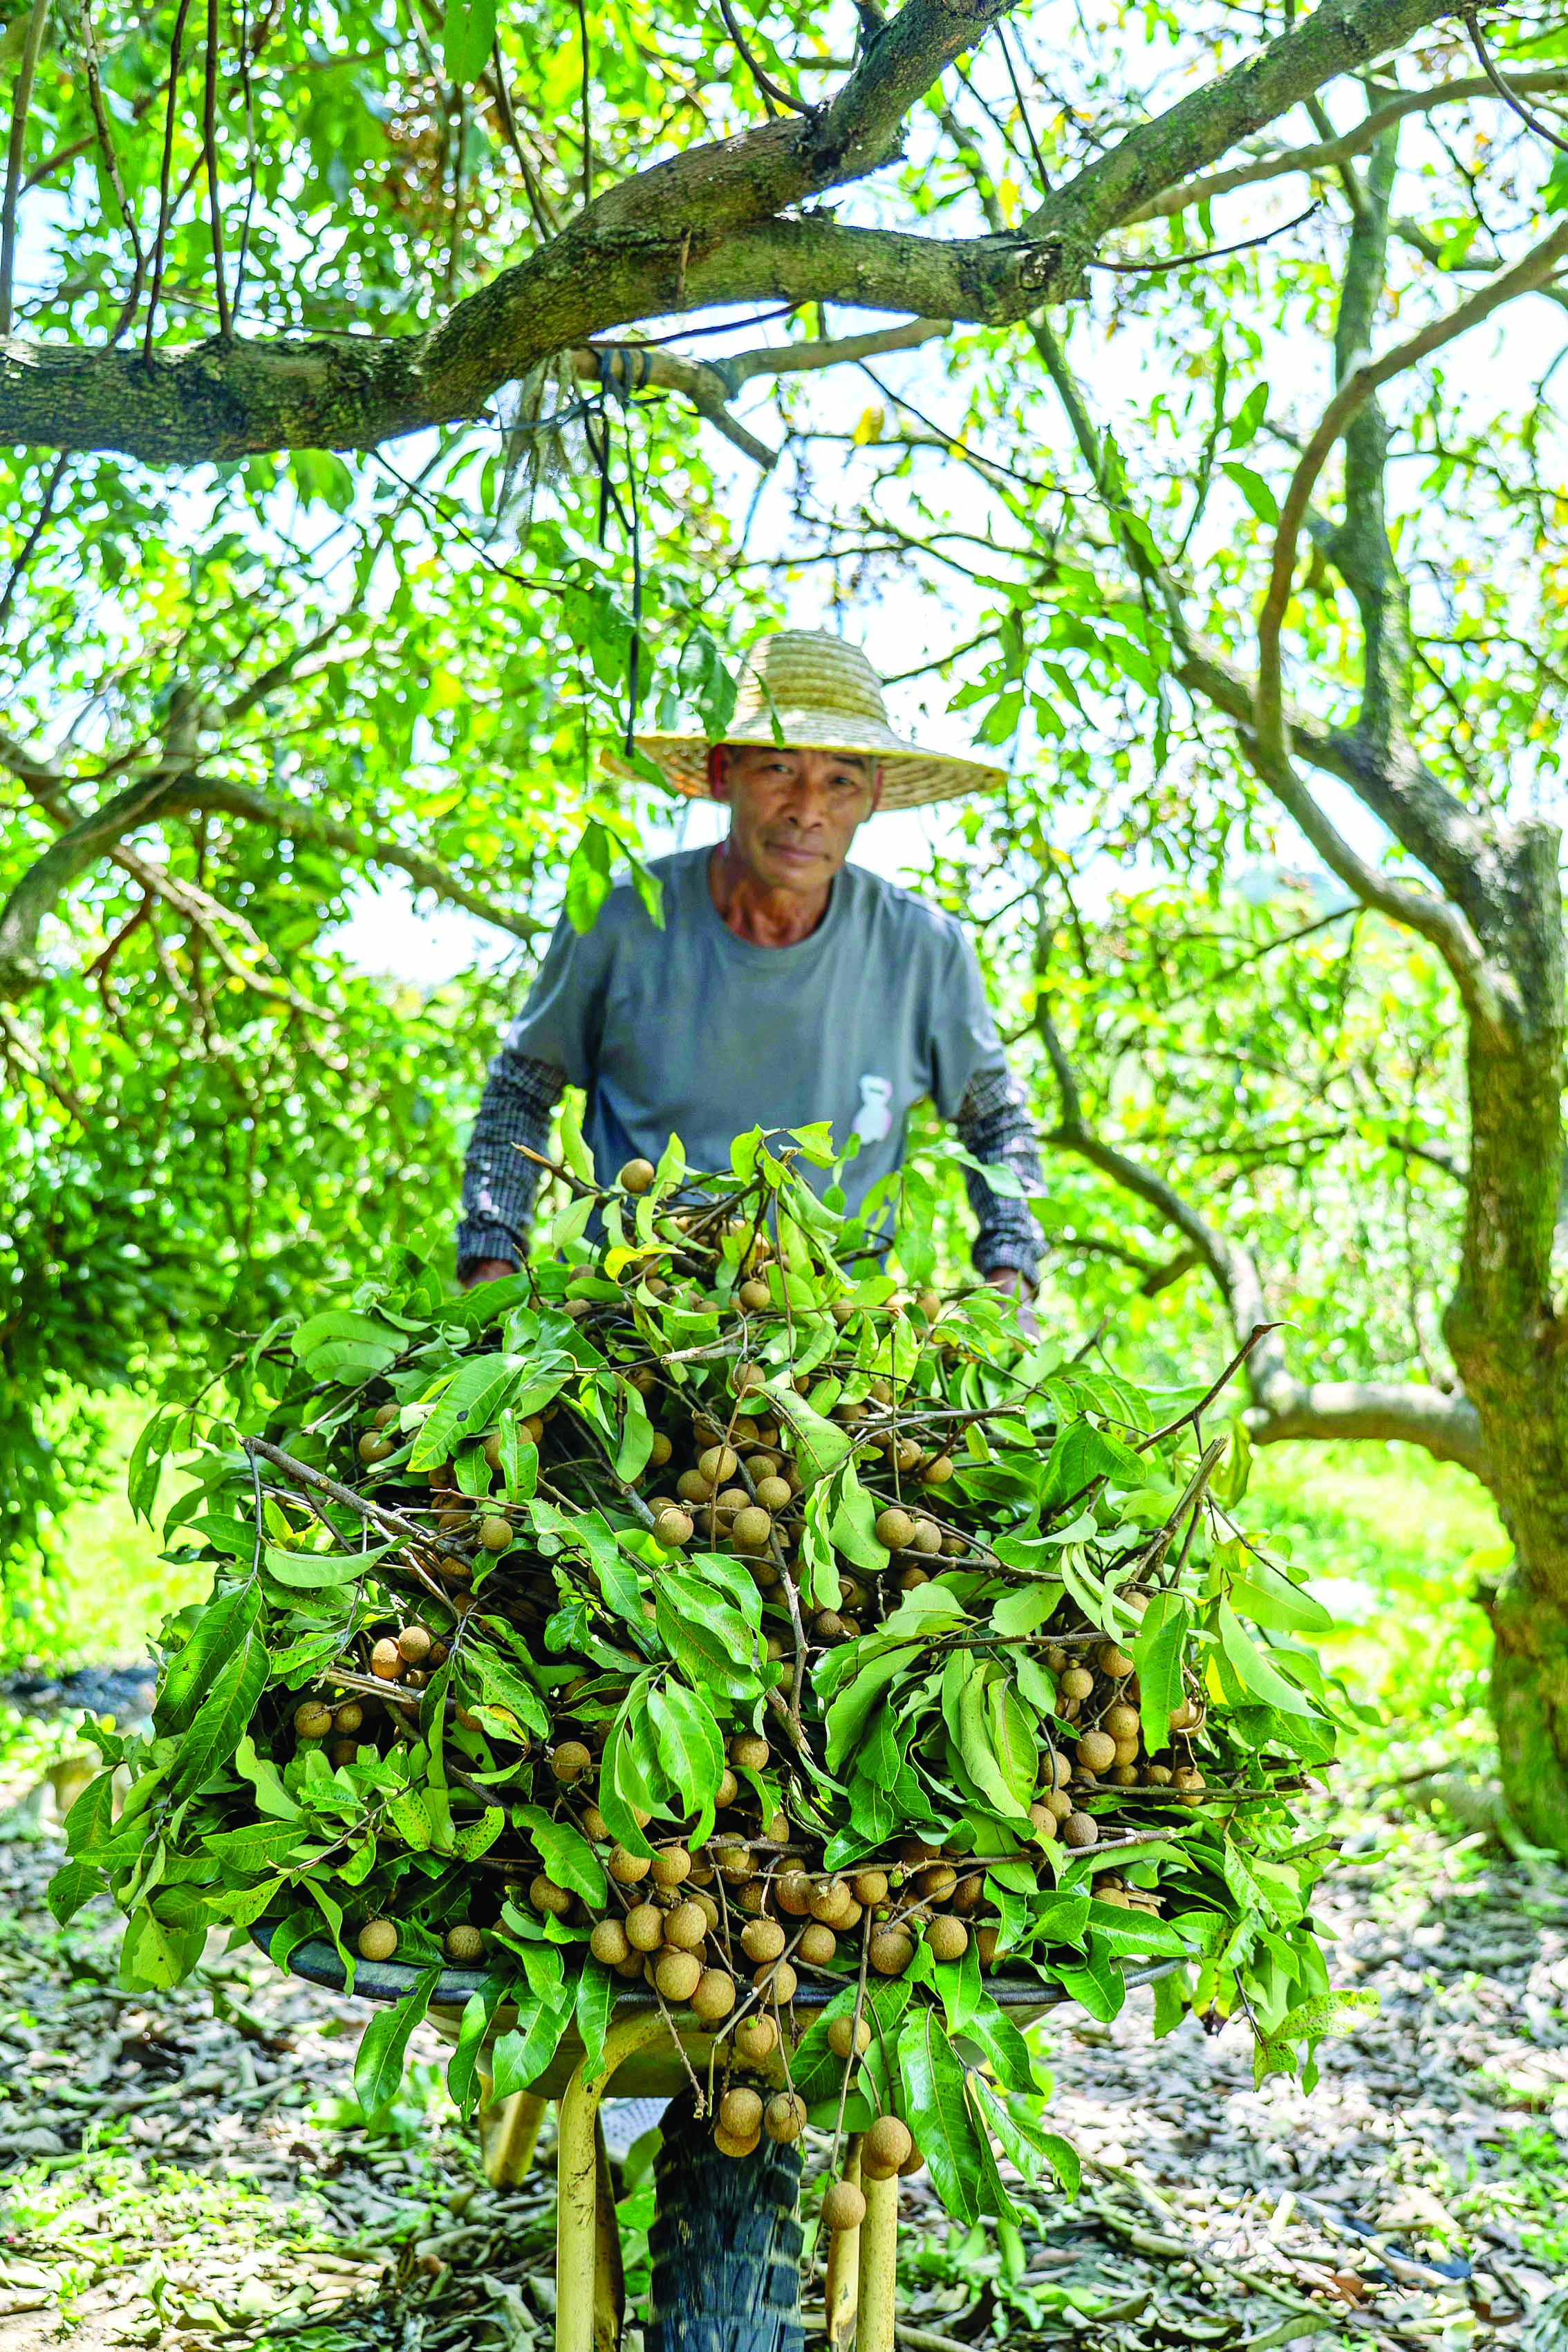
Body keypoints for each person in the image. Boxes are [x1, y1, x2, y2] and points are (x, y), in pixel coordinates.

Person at [457, 627, 1045, 1299]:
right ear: (721, 772)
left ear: (873, 796)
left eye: (841, 781)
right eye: (777, 769)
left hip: (841, 1343)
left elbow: (998, 1121)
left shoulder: (922, 950)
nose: (807, 811)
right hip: (622, 1327)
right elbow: (521, 1088)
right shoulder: (621, 919)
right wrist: (491, 1261)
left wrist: (1012, 1277)